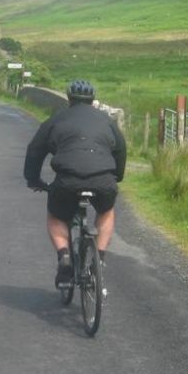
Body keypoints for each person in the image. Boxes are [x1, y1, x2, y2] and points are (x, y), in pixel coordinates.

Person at [24, 80, 127, 288]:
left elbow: (35, 150)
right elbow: (121, 149)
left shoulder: (56, 119)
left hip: (67, 181)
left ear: (69, 98)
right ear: (92, 100)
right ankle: (99, 257)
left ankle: (64, 257)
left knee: (56, 215)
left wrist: (33, 179)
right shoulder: (106, 120)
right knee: (106, 212)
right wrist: (117, 175)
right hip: (103, 179)